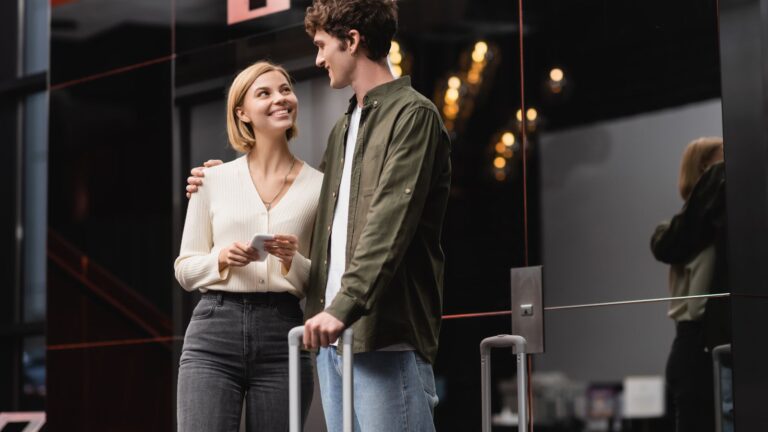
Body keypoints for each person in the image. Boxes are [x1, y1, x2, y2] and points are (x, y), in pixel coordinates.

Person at [188, 1, 451, 429]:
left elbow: (389, 226)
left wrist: (342, 308)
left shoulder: (412, 115)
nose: (318, 59)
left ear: (352, 40)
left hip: (383, 338)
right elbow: (327, 222)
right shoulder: (345, 127)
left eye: (322, 45)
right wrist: (227, 178)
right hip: (333, 340)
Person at [174, 61, 320, 432]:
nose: (280, 99)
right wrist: (221, 259)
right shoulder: (211, 179)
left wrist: (293, 260)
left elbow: (322, 280)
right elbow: (185, 269)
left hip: (283, 333)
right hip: (213, 331)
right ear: (242, 112)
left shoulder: (319, 187)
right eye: (264, 93)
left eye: (285, 90)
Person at [651, 136, 727, 432]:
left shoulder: (715, 226)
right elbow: (697, 308)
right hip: (695, 349)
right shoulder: (678, 232)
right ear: (706, 168)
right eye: (725, 157)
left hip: (700, 348)